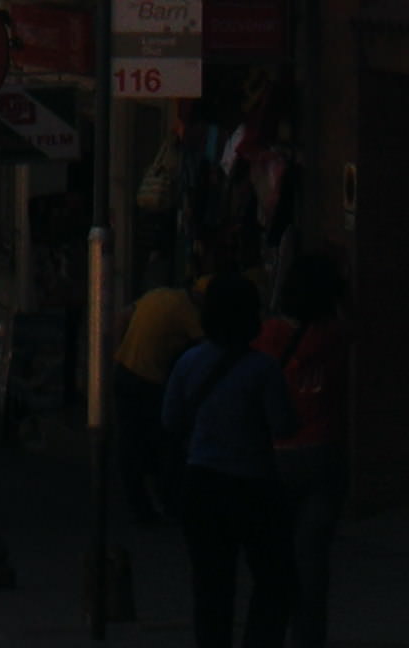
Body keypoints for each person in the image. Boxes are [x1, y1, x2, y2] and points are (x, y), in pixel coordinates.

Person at [163, 272, 298, 648]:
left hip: (202, 483)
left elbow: (170, 419)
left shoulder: (188, 362)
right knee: (273, 578)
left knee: (211, 587)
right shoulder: (264, 369)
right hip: (254, 485)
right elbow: (283, 425)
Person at [259, 251, 351, 648]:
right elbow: (350, 318)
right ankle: (308, 638)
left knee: (276, 557)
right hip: (324, 451)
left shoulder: (268, 336)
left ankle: (271, 633)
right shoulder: (335, 335)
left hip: (277, 453)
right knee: (313, 560)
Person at [116, 265, 207, 524]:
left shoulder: (159, 294)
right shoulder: (189, 312)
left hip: (125, 370)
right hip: (149, 380)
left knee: (132, 443)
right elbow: (209, 349)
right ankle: (167, 502)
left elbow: (122, 316)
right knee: (166, 443)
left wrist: (119, 350)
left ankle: (143, 505)